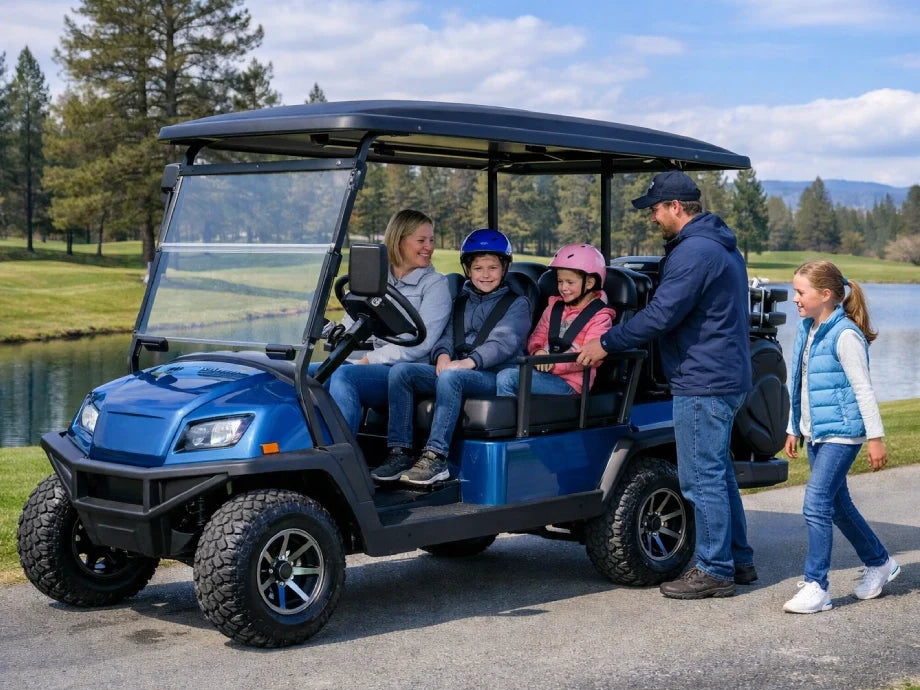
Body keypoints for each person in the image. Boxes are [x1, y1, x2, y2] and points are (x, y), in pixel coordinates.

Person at [576, 170, 755, 599]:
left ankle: (714, 571)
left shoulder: (694, 253)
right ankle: (739, 560)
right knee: (719, 475)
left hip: (703, 380)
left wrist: (606, 342)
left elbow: (660, 316)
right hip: (726, 376)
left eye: (655, 209)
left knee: (700, 478)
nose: (652, 218)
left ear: (676, 207)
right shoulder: (718, 245)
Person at [781, 260, 898, 614]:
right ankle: (880, 562)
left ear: (826, 294)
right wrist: (793, 426)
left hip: (843, 433)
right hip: (816, 432)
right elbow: (799, 382)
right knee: (836, 504)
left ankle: (817, 586)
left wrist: (875, 438)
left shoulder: (845, 334)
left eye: (801, 292)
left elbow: (864, 390)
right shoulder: (809, 327)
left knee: (815, 504)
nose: (795, 298)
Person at [372, 229, 532, 485]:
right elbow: (446, 335)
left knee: (450, 378)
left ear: (504, 269)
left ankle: (436, 457)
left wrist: (469, 362)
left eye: (493, 267)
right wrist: (443, 356)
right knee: (401, 372)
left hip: (492, 374)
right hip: (458, 368)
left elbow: (504, 342)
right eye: (479, 268)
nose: (485, 274)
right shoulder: (461, 300)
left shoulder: (517, 304)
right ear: (468, 270)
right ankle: (400, 451)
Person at [326, 209, 452, 434]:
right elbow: (353, 323)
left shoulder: (435, 285)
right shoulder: (375, 278)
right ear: (398, 240)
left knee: (345, 376)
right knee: (306, 374)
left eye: (431, 240)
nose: (429, 247)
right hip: (375, 365)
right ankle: (300, 451)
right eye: (421, 240)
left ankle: (343, 456)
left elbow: (420, 345)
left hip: (408, 371)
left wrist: (369, 359)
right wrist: (336, 333)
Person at [495, 243, 614, 397]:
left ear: (590, 283)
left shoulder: (600, 317)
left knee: (507, 378)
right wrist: (538, 352)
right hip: (542, 373)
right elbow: (537, 336)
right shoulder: (553, 307)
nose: (563, 287)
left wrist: (552, 364)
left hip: (571, 384)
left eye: (570, 282)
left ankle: (509, 421)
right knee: (499, 368)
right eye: (560, 281)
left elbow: (591, 356)